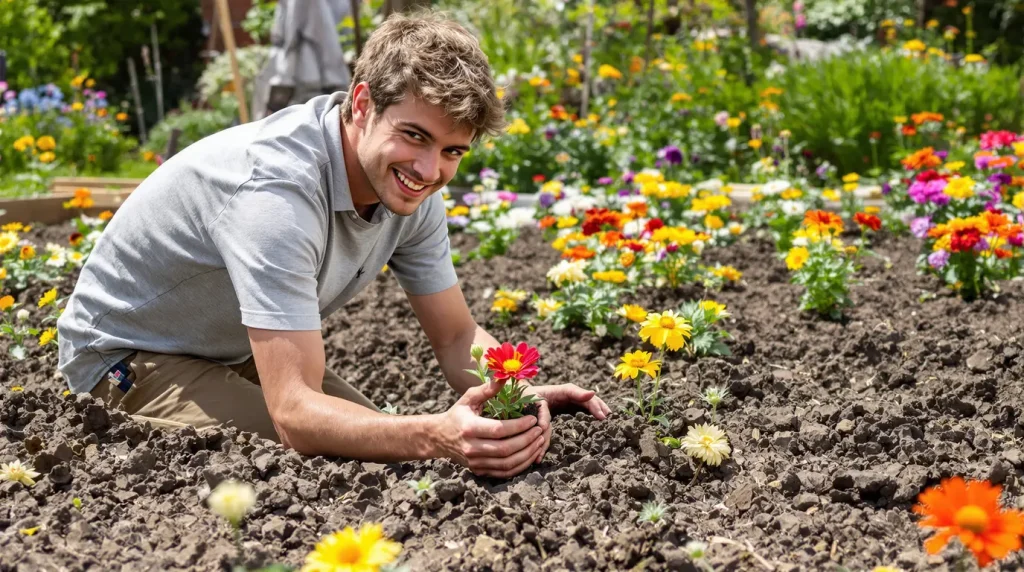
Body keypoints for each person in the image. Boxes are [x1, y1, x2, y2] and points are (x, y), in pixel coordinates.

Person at [56, 12, 609, 479]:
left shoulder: (410, 190)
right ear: (363, 103)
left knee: (383, 446)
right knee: (347, 464)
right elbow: (295, 412)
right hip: (126, 356)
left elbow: (456, 335)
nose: (429, 169)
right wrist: (438, 435)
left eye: (452, 151)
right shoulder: (277, 193)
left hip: (228, 346)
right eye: (414, 136)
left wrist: (518, 393)